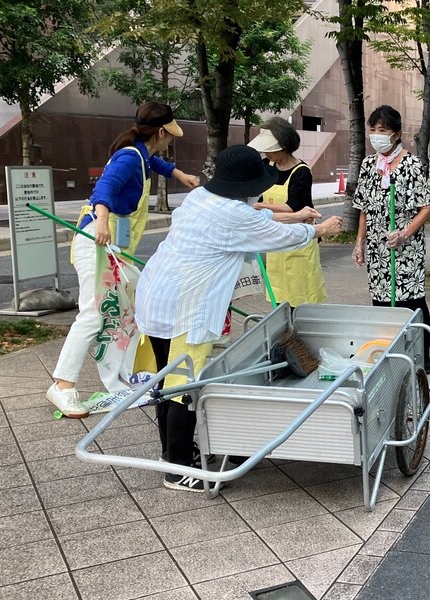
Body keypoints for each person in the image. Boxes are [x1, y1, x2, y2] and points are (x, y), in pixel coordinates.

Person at [135, 145, 342, 491]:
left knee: (165, 377)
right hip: (187, 306)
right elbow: (274, 235)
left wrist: (295, 215)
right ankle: (178, 468)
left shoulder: (201, 197)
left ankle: (173, 451)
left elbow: (258, 218)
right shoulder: (233, 215)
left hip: (155, 294)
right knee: (182, 386)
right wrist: (319, 230)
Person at [47, 102, 200, 419]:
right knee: (93, 314)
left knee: (133, 306)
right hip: (98, 245)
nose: (170, 141)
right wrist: (101, 220)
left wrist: (179, 174)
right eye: (169, 135)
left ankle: (129, 380)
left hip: (116, 250)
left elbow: (155, 163)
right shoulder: (129, 157)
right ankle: (63, 386)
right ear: (160, 132)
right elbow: (104, 188)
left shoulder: (141, 155)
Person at [351, 105, 430, 373]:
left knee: (410, 301)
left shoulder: (411, 164)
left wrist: (404, 233)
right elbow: (364, 206)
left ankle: (422, 357)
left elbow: (426, 207)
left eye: (383, 130)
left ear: (396, 134)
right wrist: (359, 242)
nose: (377, 135)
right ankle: (388, 351)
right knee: (381, 300)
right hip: (378, 246)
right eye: (373, 130)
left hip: (406, 247)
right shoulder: (368, 164)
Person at [247, 117, 328, 306]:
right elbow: (258, 194)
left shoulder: (302, 171)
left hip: (299, 235)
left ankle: (302, 329)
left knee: (302, 291)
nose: (266, 152)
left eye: (269, 149)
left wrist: (260, 207)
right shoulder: (266, 166)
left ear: (283, 146)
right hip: (276, 235)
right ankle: (285, 331)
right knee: (279, 291)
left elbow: (293, 206)